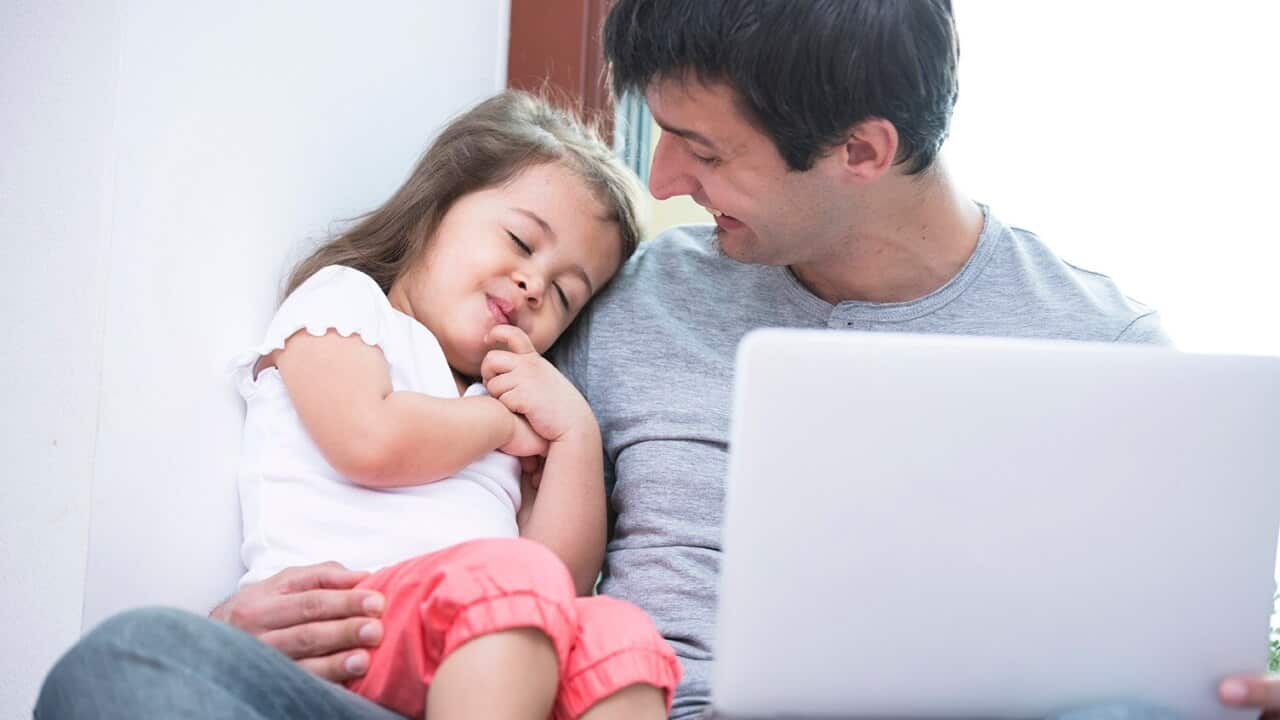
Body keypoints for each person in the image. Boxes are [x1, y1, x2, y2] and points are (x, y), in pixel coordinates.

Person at [35, 2, 1280, 719]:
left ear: (858, 149)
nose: (663, 182)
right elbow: (464, 506)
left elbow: (1161, 663)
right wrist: (281, 615)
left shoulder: (1107, 357)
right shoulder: (628, 300)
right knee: (137, 664)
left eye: (701, 149)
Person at [40, 89, 682, 720]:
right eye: (519, 241)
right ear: (439, 203)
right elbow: (369, 441)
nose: (533, 284)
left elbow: (558, 587)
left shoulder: (506, 405)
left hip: (482, 659)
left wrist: (573, 432)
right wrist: (494, 424)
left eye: (565, 295)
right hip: (356, 630)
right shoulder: (347, 305)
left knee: (617, 633)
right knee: (509, 578)